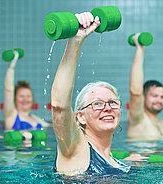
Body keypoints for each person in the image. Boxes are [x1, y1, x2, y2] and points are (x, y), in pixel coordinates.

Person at [51, 12, 131, 175]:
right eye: (97, 104)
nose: (108, 108)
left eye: (112, 102)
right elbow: (59, 105)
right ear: (80, 116)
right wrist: (75, 41)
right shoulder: (75, 149)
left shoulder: (117, 163)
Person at [127, 33, 163, 141]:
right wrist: (140, 49)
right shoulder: (138, 120)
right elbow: (135, 91)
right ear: (143, 97)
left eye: (162, 97)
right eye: (154, 96)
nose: (159, 100)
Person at [3, 52, 50, 130]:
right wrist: (11, 67)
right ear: (14, 99)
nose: (25, 99)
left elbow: (51, 127)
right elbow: (8, 90)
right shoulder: (11, 115)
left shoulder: (34, 118)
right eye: (21, 96)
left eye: (28, 96)